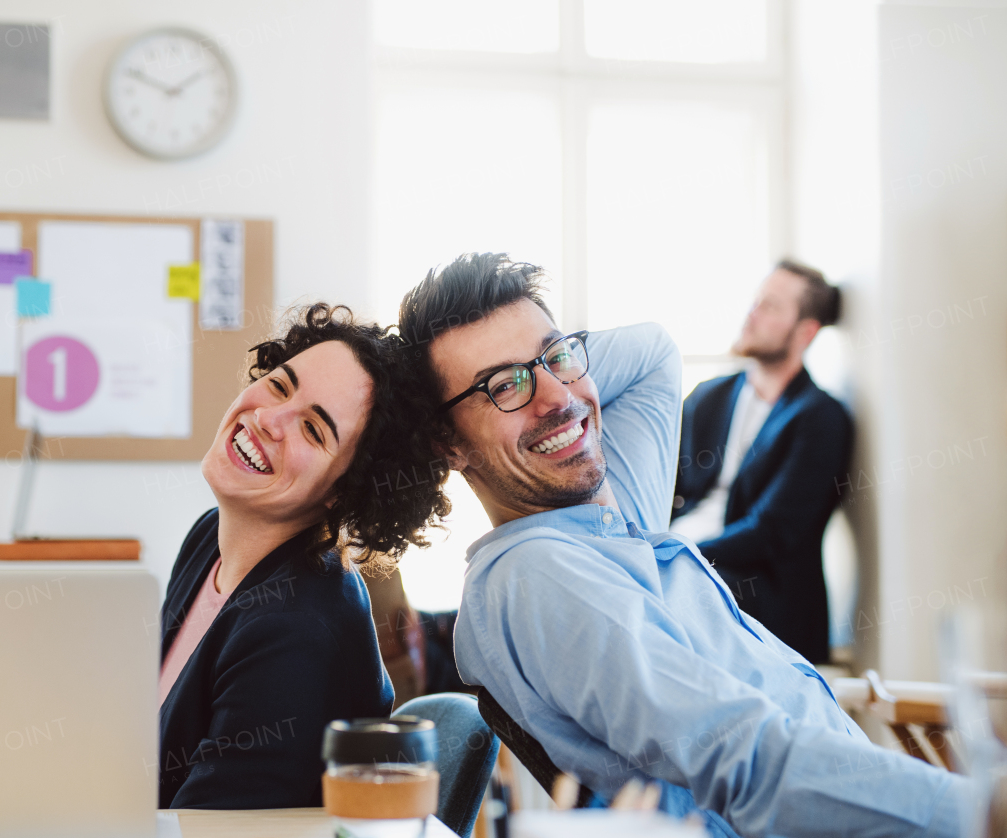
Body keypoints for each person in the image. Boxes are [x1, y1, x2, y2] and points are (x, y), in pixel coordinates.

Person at [397, 254, 971, 838]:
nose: (557, 397)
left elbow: (652, 353)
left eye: (559, 356)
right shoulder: (541, 574)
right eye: (504, 386)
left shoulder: (610, 515)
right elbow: (747, 759)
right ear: (447, 444)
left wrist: (538, 369)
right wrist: (982, 812)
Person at [158, 303, 448, 809]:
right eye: (279, 385)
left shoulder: (299, 631)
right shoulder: (210, 539)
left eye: (313, 430)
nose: (269, 419)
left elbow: (211, 828)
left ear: (344, 491)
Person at [671, 260, 852, 663]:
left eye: (770, 307)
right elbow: (665, 488)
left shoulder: (820, 417)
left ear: (805, 332)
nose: (752, 313)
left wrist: (680, 554)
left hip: (759, 591)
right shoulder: (709, 397)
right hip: (684, 559)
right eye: (755, 302)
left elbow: (771, 533)